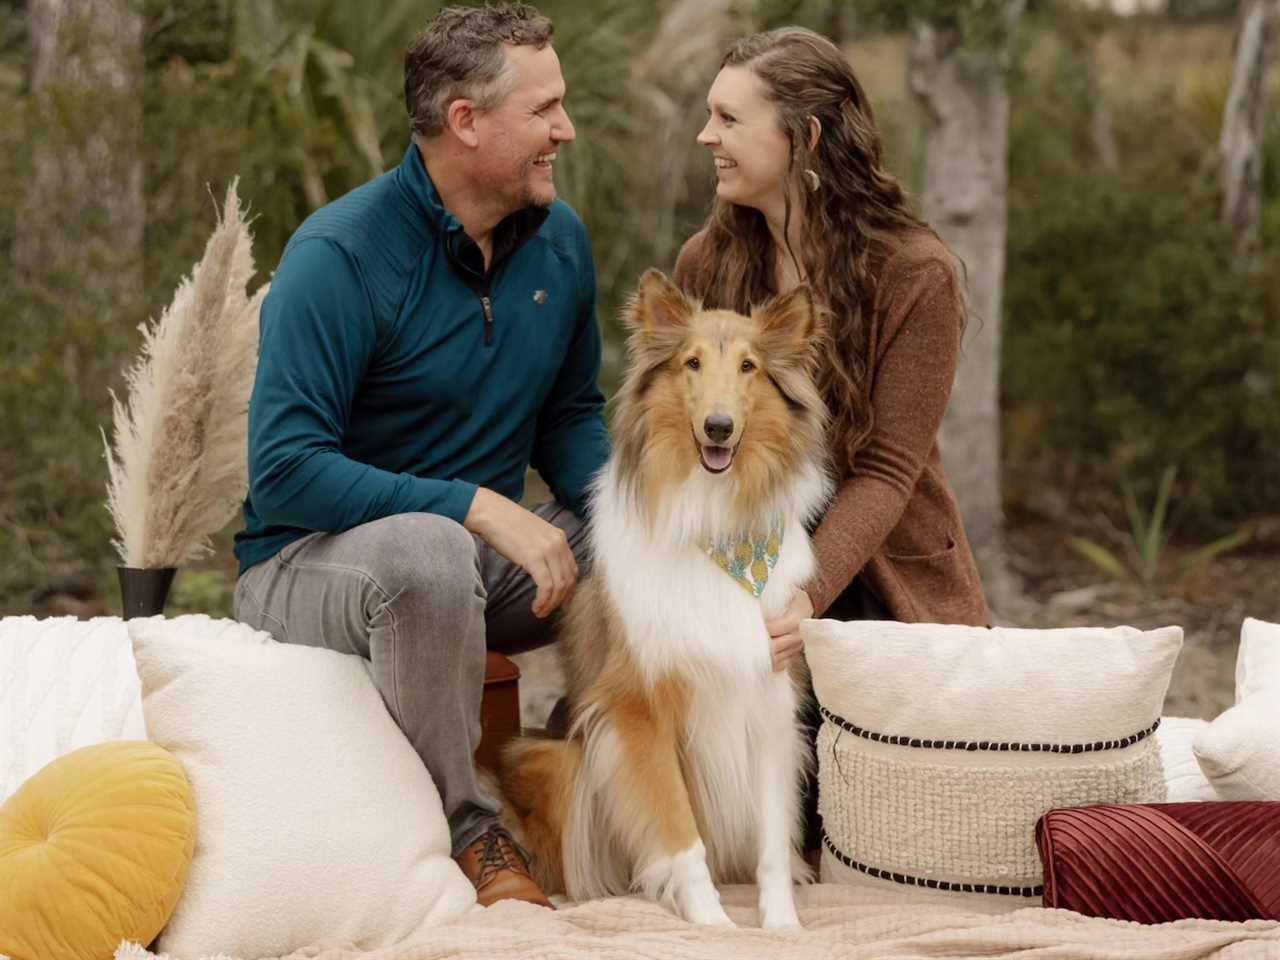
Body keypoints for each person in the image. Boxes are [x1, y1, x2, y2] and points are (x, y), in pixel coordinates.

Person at [231, 2, 608, 909]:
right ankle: (469, 828)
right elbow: (284, 470)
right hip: (307, 565)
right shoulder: (341, 255)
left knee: (647, 544)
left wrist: (645, 525)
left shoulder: (560, 241)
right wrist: (474, 505)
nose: (565, 128)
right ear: (465, 122)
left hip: (473, 560)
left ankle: (586, 787)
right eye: (544, 109)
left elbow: (571, 418)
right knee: (429, 551)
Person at [674, 26, 992, 666]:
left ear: (805, 139)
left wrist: (805, 593)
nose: (707, 136)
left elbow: (887, 471)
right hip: (734, 555)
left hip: (871, 571)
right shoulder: (706, 264)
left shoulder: (913, 274)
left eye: (729, 119)